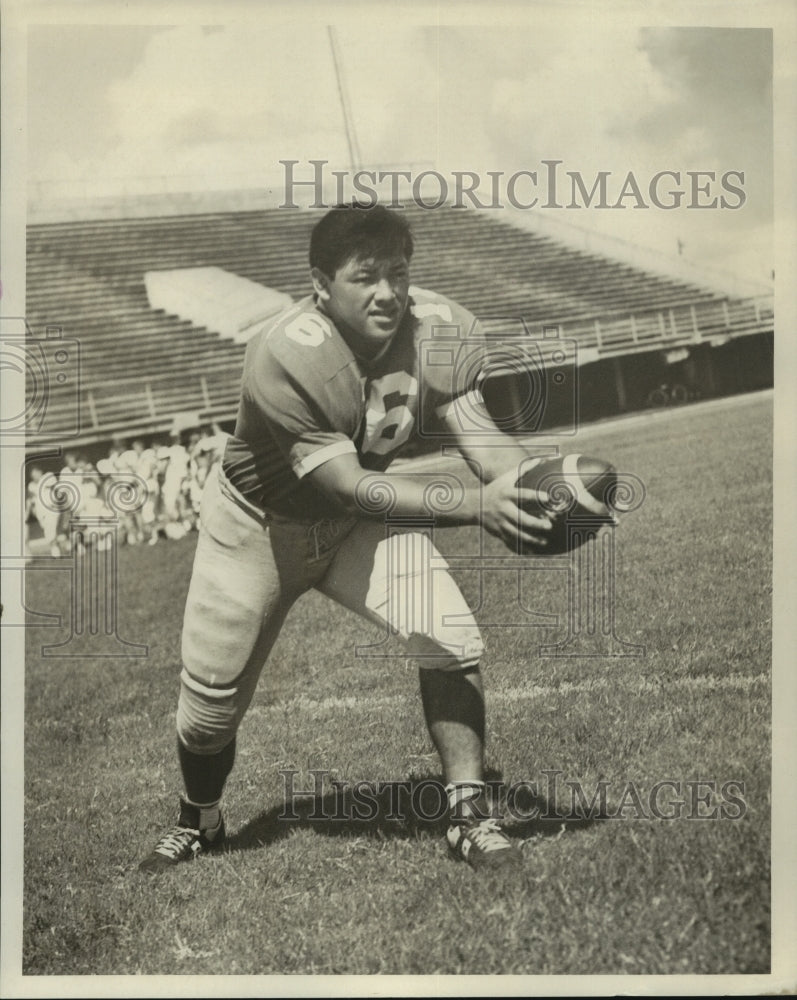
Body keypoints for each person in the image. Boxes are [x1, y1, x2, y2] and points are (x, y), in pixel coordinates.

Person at [139, 204, 552, 875]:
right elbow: (346, 484)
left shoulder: (439, 327)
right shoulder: (286, 352)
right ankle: (199, 818)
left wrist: (542, 490)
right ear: (320, 284)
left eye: (398, 272)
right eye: (365, 277)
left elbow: (480, 438)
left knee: (449, 634)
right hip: (258, 524)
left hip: (355, 525)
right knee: (209, 712)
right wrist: (476, 506)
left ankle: (468, 816)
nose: (387, 292)